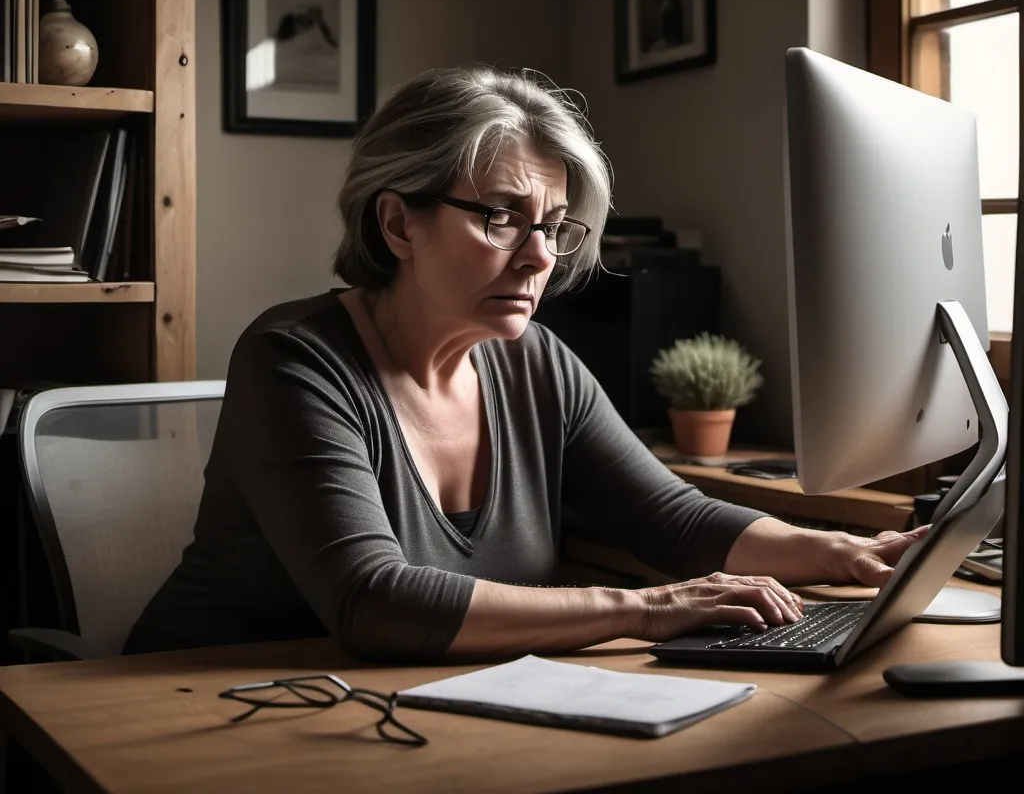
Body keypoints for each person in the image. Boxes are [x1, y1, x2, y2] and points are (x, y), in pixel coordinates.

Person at [125, 66, 926, 660]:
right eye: (502, 219)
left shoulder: (536, 362)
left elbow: (673, 519)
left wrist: (845, 553)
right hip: (207, 707)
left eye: (554, 225)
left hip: (406, 712)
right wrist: (647, 608)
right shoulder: (295, 361)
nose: (540, 257)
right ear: (400, 224)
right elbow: (374, 601)